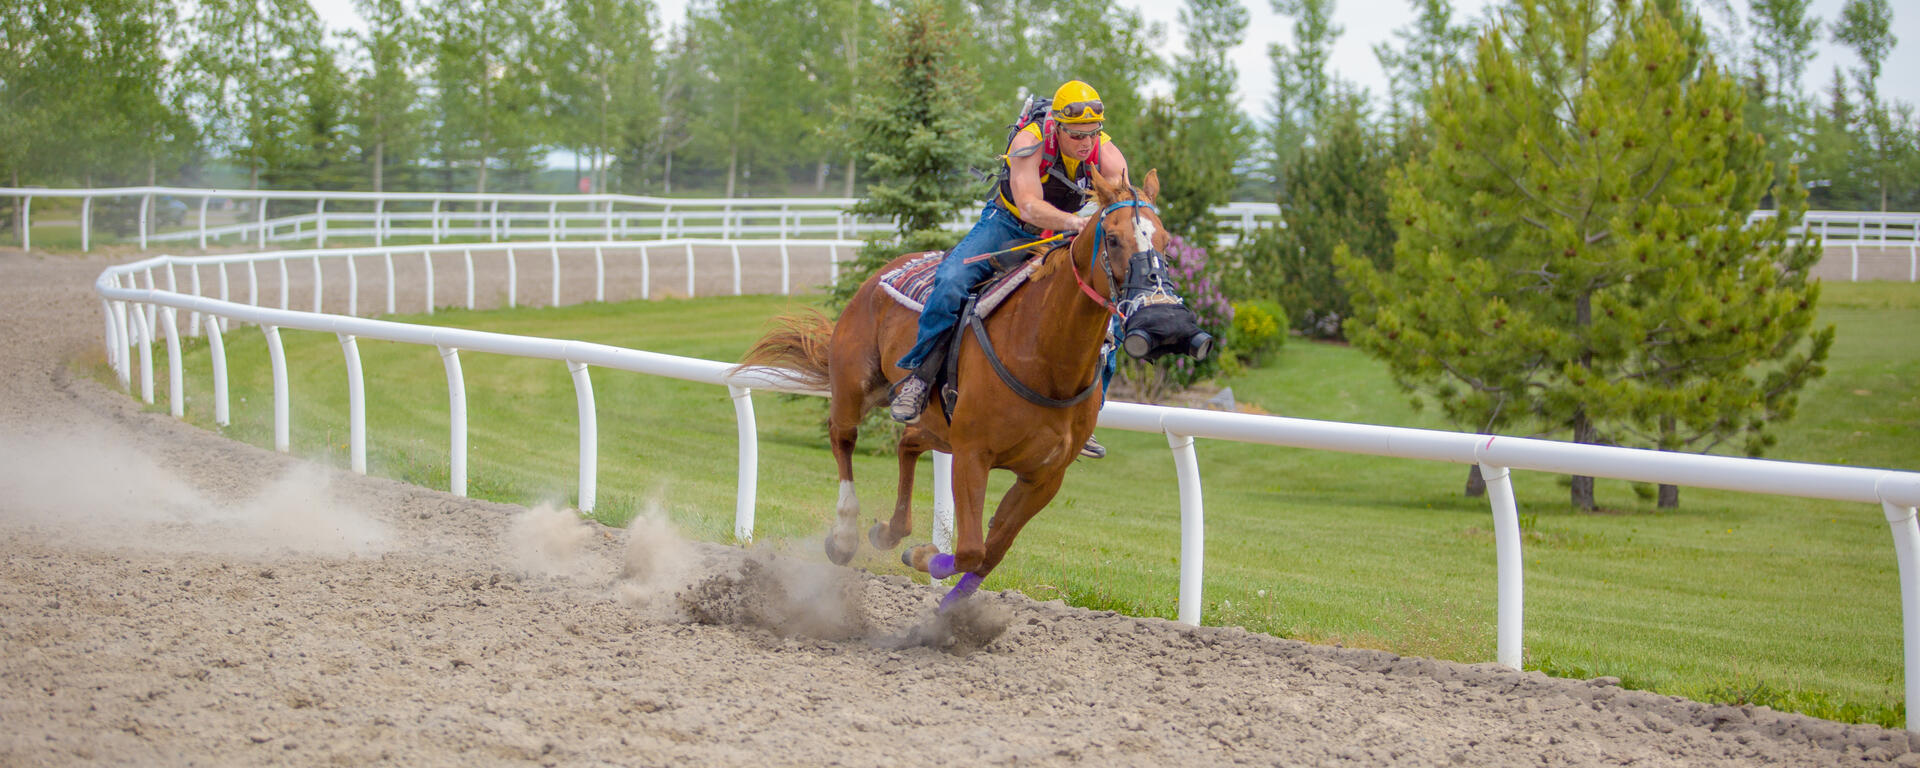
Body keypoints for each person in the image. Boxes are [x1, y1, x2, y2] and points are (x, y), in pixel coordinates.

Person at [888, 79, 1130, 459]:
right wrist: (1077, 222)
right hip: (1009, 226)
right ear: (1056, 126)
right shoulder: (1029, 142)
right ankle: (918, 377)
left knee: (1108, 315)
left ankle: (1087, 417)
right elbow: (1030, 205)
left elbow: (1119, 199)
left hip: (1066, 235)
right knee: (951, 280)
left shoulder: (1107, 152)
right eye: (1077, 135)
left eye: (1092, 134)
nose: (1086, 144)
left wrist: (1090, 222)